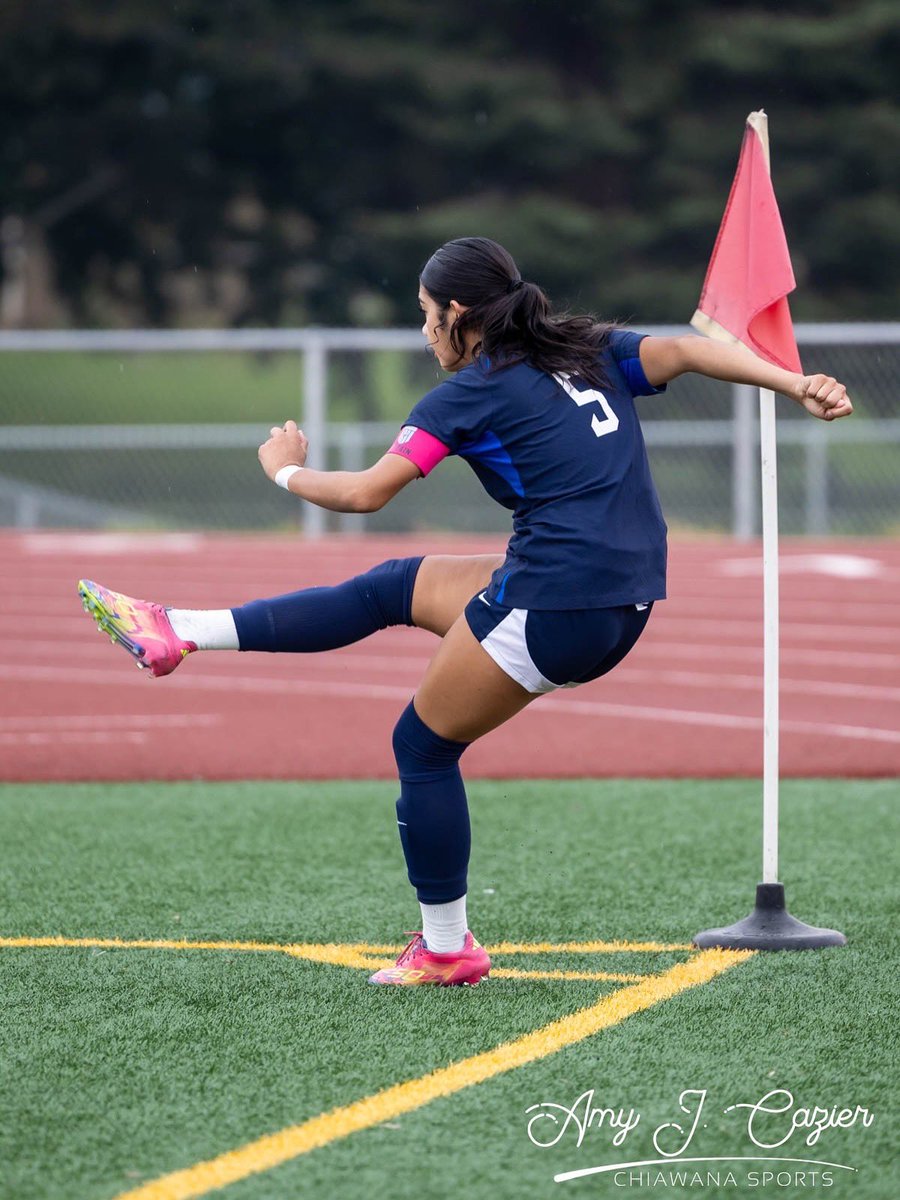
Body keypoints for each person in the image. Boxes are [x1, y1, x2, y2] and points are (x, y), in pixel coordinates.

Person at [77, 237, 853, 987]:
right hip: (621, 594)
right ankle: (181, 631)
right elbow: (686, 349)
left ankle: (446, 948)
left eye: (424, 313)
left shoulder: (470, 390)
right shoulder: (584, 346)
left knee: (420, 745)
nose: (423, 331)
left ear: (458, 311)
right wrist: (794, 382)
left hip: (559, 602)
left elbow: (365, 493)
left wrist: (285, 473)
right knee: (393, 588)